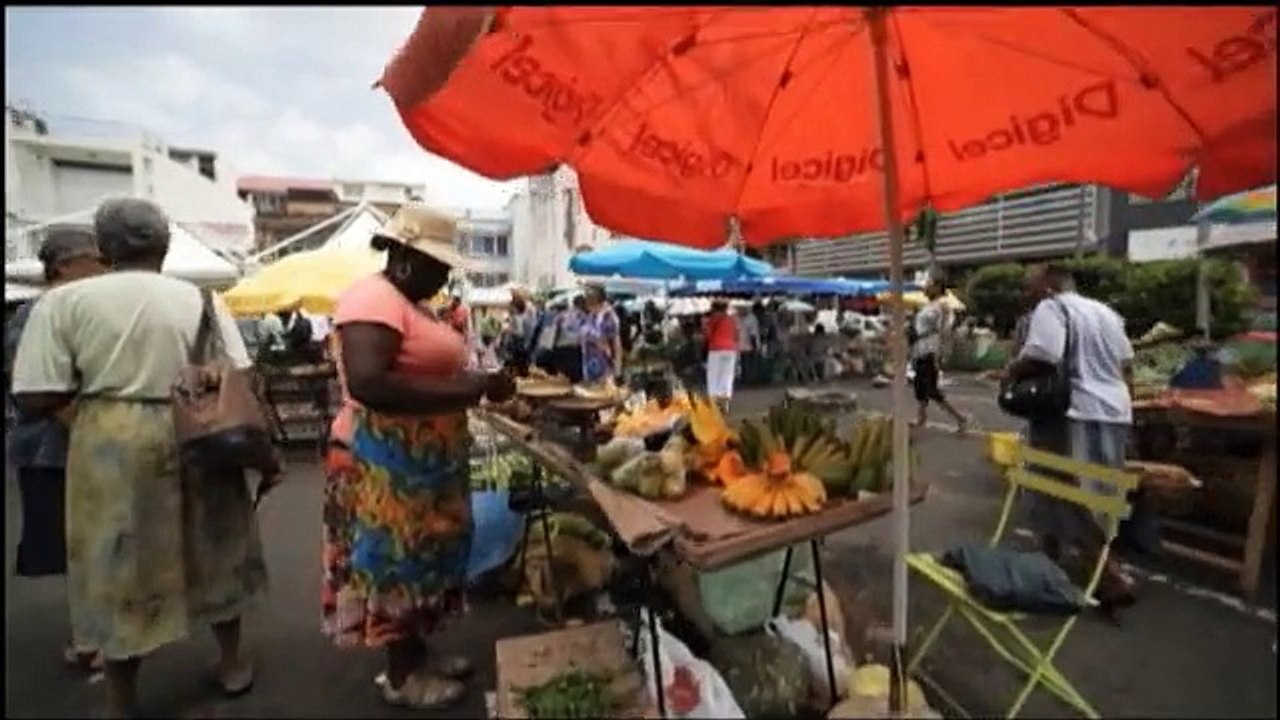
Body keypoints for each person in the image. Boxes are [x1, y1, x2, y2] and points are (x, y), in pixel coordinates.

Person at [11, 199, 267, 717]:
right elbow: (239, 373)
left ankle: (120, 697)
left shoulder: (61, 303)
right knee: (218, 545)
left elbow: (35, 393)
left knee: (117, 561)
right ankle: (232, 663)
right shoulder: (202, 299)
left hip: (110, 437)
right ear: (165, 245)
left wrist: (92, 414)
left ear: (104, 247)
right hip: (199, 433)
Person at [322, 204, 516, 709]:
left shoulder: (411, 303)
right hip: (387, 464)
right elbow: (369, 383)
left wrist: (477, 384)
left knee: (424, 561)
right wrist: (473, 387)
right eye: (439, 264)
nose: (445, 276)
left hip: (422, 463)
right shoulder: (372, 297)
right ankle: (403, 676)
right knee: (398, 566)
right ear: (406, 257)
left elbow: (427, 370)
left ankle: (419, 656)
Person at [4, 226, 106, 675]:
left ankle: (95, 633)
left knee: (93, 545)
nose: (105, 268)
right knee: (80, 547)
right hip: (54, 450)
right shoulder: (37, 313)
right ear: (64, 265)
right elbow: (35, 389)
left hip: (76, 443)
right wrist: (92, 431)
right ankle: (90, 638)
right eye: (97, 259)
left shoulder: (79, 308)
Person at [1005, 264, 1137, 610]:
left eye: (1031, 287)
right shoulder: (1107, 313)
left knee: (1060, 487)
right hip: (1114, 411)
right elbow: (1127, 365)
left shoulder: (1052, 308)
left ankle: (1108, 575)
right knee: (1099, 492)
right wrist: (1127, 406)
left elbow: (1043, 355)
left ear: (1048, 287)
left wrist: (1011, 372)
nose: (1027, 295)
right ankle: (1054, 560)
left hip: (1071, 411)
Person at [911, 279, 970, 433]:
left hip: (932, 348)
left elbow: (945, 331)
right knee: (919, 385)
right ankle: (921, 417)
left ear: (938, 288)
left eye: (929, 285)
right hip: (920, 347)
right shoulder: (926, 306)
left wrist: (941, 352)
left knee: (931, 388)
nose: (926, 287)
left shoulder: (943, 306)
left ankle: (960, 418)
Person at [703, 299, 740, 406]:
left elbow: (707, 335)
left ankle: (714, 400)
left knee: (713, 375)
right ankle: (725, 400)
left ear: (714, 308)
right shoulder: (732, 320)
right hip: (730, 350)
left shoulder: (712, 320)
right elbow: (736, 335)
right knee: (727, 375)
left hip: (716, 349)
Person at [581, 286, 621, 383]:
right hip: (590, 362)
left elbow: (616, 344)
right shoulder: (592, 316)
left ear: (600, 302)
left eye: (591, 303)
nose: (589, 306)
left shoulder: (609, 318)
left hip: (604, 365)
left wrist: (618, 369)